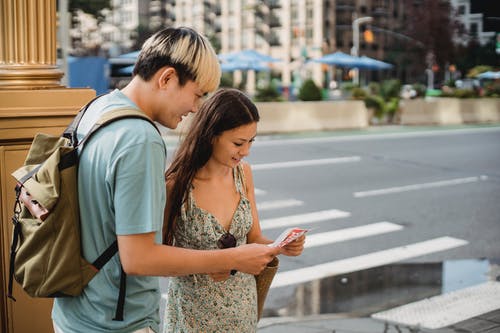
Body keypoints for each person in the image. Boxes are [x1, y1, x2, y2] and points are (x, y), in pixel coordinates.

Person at [51, 27, 278, 333]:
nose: (196, 108)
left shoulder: (97, 110)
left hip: (75, 310)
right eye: (196, 94)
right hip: (118, 321)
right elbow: (139, 258)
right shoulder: (140, 139)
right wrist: (233, 257)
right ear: (167, 78)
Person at [163, 88, 305, 332]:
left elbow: (254, 238)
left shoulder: (244, 174)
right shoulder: (175, 186)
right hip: (193, 316)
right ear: (211, 135)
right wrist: (214, 263)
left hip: (243, 309)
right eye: (238, 143)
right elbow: (159, 258)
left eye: (251, 141)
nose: (246, 151)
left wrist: (281, 245)